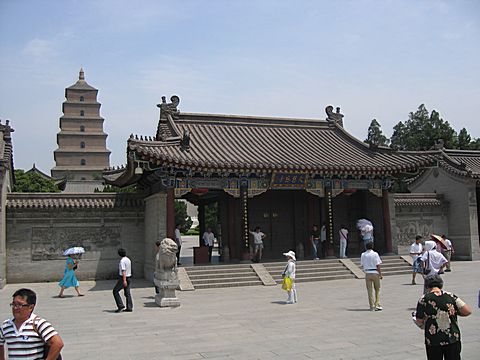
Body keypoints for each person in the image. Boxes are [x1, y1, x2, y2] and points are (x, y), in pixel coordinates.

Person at [414, 275, 472, 360]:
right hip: (452, 337)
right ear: (441, 284)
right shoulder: (451, 296)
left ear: (427, 286)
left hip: (433, 339)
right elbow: (467, 311)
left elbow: (419, 320)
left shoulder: (424, 299)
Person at [0, 288, 64, 359]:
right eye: (13, 304)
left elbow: (58, 343)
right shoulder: (5, 325)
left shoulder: (39, 324)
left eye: (19, 305)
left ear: (31, 307)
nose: (15, 308)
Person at [360, 241, 383, 311]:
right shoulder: (375, 254)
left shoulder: (363, 254)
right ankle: (377, 304)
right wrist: (380, 274)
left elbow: (362, 264)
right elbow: (378, 265)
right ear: (372, 247)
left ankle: (371, 306)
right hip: (375, 272)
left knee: (369, 291)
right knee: (377, 289)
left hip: (367, 273)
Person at [113, 248, 133, 313]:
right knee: (127, 293)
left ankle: (120, 305)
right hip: (129, 277)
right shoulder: (128, 259)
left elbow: (123, 271)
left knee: (115, 291)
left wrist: (124, 281)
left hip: (123, 278)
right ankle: (129, 307)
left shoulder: (122, 261)